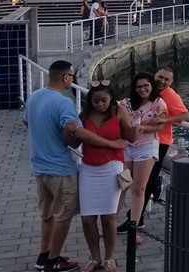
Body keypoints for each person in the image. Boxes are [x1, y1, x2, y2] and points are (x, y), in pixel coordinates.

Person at [25, 60, 126, 272]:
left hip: (39, 167)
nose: (71, 81)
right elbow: (78, 133)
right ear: (65, 77)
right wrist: (110, 143)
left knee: (47, 215)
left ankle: (43, 256)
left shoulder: (33, 97)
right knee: (63, 216)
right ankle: (52, 261)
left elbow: (28, 122)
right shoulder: (64, 103)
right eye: (71, 77)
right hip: (61, 168)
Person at [78, 81, 136, 272]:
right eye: (96, 101)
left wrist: (136, 124)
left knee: (108, 217)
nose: (100, 104)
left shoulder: (119, 111)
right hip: (88, 169)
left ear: (111, 98)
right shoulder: (85, 114)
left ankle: (109, 258)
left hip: (111, 168)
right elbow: (74, 140)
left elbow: (131, 138)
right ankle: (95, 258)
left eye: (104, 100)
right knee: (87, 219)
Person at [126, 66, 189, 231]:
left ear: (171, 82)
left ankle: (136, 220)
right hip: (139, 142)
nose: (162, 81)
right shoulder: (148, 91)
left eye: (166, 79)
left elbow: (185, 115)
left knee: (144, 184)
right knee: (138, 180)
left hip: (160, 141)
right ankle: (155, 185)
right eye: (160, 77)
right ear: (155, 75)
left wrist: (164, 120)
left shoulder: (169, 95)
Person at [117, 72, 166, 245]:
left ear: (151, 85)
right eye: (139, 86)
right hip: (128, 146)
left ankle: (134, 229)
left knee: (138, 189)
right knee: (122, 185)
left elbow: (161, 126)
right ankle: (109, 224)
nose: (143, 89)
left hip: (146, 147)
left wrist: (142, 128)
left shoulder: (158, 103)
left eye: (146, 85)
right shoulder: (126, 103)